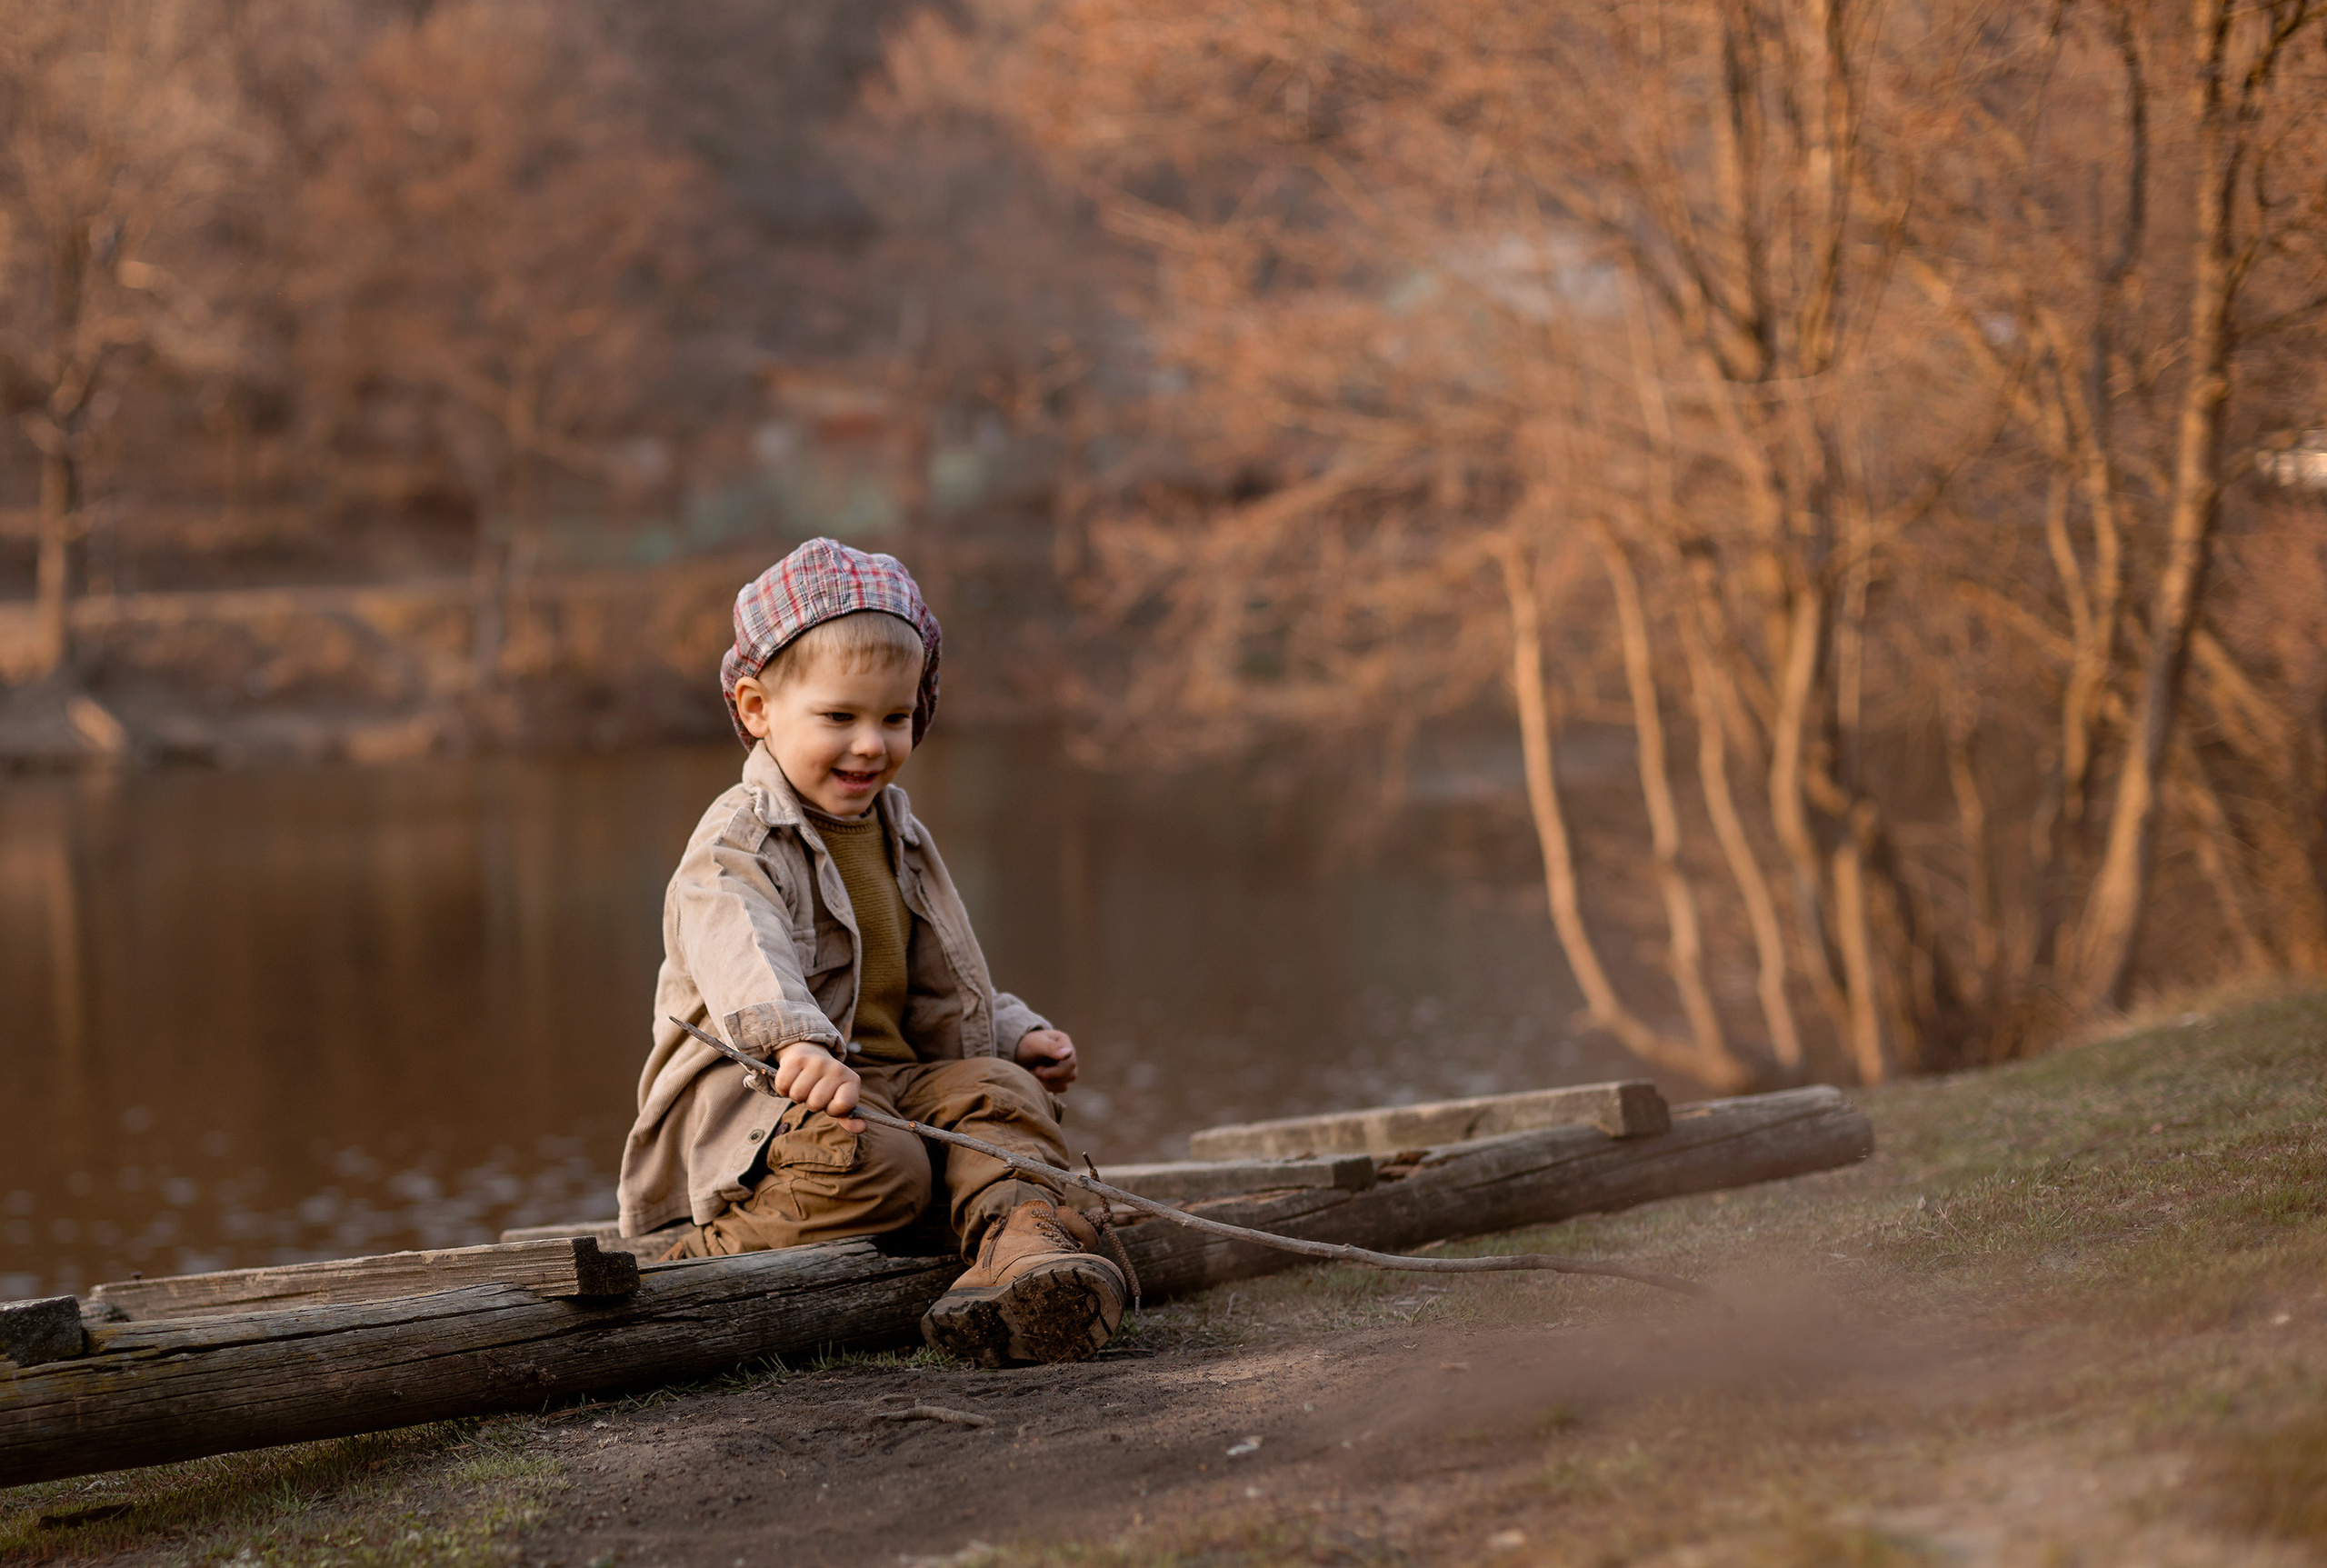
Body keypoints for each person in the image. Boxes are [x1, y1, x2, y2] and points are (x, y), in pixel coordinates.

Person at [616, 538, 1126, 1366]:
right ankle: (698, 1261)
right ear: (756, 708)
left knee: (1001, 1089)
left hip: (889, 1088)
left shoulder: (899, 833)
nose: (870, 745)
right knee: (879, 1160)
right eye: (839, 718)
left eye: (895, 719)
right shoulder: (736, 844)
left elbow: (937, 984)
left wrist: (1013, 1032)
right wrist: (794, 1040)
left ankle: (1021, 1252)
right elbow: (741, 950)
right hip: (765, 1113)